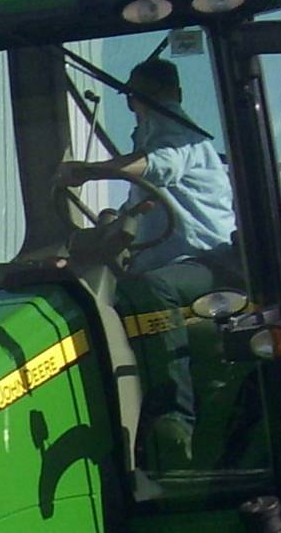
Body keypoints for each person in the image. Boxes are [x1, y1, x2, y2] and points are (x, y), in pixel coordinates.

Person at [59, 57, 240, 469]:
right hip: (168, 262)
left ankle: (174, 421)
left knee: (150, 289)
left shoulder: (182, 134)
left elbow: (158, 167)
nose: (144, 105)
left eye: (150, 96)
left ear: (173, 96)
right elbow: (139, 206)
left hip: (210, 262)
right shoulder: (150, 137)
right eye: (137, 98)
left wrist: (90, 171)